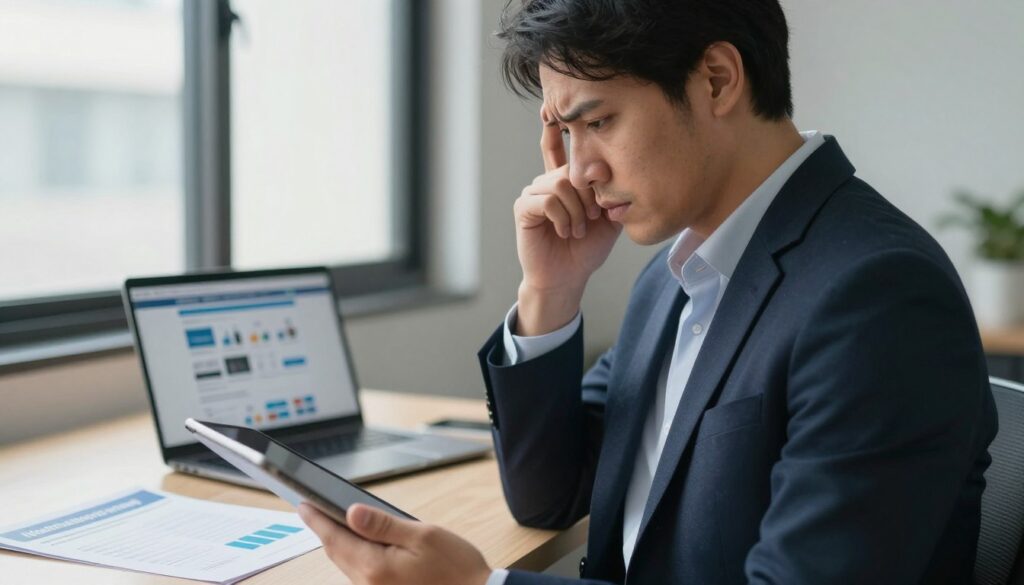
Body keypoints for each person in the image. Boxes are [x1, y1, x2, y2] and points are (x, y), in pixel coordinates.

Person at [298, 0, 998, 583]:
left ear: (718, 80)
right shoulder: (678, 274)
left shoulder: (878, 297)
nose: (582, 169)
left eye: (599, 122)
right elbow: (549, 497)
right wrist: (551, 290)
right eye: (564, 133)